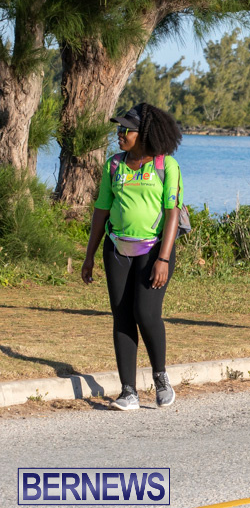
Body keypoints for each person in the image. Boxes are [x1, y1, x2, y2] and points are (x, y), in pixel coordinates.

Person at [81, 103, 184, 410]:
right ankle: (128, 391)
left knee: (146, 313)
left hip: (153, 251)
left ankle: (160, 378)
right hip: (117, 249)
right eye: (119, 128)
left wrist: (163, 259)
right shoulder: (114, 165)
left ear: (144, 134)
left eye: (126, 130)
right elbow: (101, 211)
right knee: (122, 317)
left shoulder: (166, 165)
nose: (120, 134)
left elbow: (172, 213)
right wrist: (89, 256)